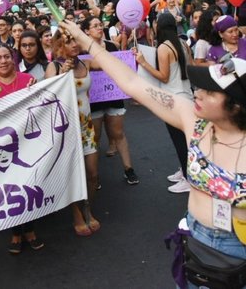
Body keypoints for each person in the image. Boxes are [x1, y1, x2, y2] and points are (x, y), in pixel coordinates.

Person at [58, 19, 246, 287]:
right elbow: (132, 82)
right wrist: (84, 39)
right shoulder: (194, 122)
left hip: (238, 250)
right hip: (196, 243)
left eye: (210, 91)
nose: (199, 93)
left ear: (237, 106)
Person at [0, 44, 43, 251]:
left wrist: (37, 89)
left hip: (26, 143)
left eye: (6, 57)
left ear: (13, 59)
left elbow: (39, 104)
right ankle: (14, 232)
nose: (3, 61)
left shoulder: (26, 80)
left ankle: (30, 229)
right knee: (9, 188)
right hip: (3, 148)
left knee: (27, 184)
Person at [46, 31, 101, 236]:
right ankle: (77, 214)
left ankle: (88, 207)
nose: (74, 45)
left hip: (86, 127)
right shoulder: (55, 66)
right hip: (66, 128)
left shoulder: (85, 64)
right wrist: (63, 75)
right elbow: (49, 94)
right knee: (72, 174)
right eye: (68, 41)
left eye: (75, 40)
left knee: (93, 173)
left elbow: (110, 61)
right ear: (59, 45)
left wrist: (134, 55)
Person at [134, 13, 194, 193]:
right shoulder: (183, 43)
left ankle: (188, 178)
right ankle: (186, 171)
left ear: (159, 27)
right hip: (187, 96)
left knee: (179, 141)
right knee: (186, 139)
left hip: (173, 100)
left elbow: (164, 77)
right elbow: (190, 68)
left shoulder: (164, 48)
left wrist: (143, 63)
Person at [81, 16, 138, 185]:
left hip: (114, 97)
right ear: (86, 31)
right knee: (95, 138)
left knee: (118, 134)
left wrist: (132, 57)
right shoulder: (81, 50)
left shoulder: (112, 46)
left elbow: (124, 65)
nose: (99, 28)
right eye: (95, 26)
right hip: (93, 100)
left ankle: (129, 169)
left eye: (100, 25)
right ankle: (94, 175)